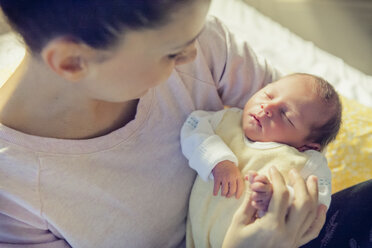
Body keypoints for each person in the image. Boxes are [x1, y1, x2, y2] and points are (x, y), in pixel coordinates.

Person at [0, 0, 331, 247]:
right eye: (172, 53)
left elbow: (305, 125)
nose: (192, 54)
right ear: (72, 62)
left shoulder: (200, 41)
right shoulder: (12, 195)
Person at [181, 73, 341, 247]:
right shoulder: (227, 120)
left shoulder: (306, 162)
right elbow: (193, 126)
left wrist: (277, 200)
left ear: (308, 146)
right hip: (194, 239)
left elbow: (316, 204)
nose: (267, 107)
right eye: (268, 95)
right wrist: (217, 161)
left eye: (286, 115)